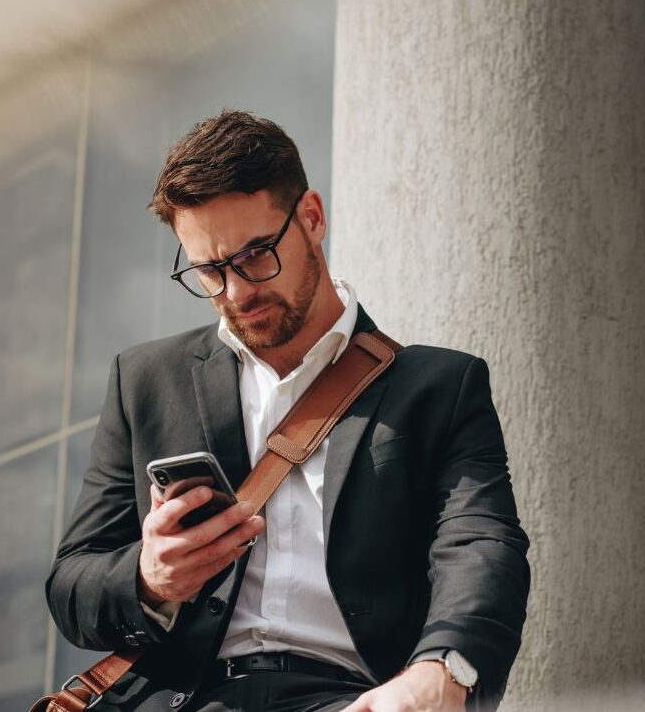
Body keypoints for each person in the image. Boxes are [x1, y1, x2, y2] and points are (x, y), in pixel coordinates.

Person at [46, 110, 530, 712]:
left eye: (254, 256)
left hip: (354, 697)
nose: (236, 291)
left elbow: (481, 547)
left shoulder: (439, 387)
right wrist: (150, 578)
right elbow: (71, 586)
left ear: (312, 218)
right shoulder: (146, 381)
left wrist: (442, 670)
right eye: (209, 271)